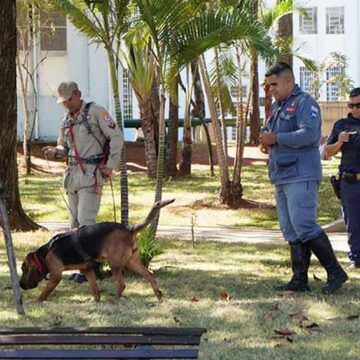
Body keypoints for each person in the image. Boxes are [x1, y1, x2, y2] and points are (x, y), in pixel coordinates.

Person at [259, 62, 348, 294]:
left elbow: (309, 135)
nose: (271, 89)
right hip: (281, 175)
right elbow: (270, 132)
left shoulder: (304, 103)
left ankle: (335, 272)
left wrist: (276, 138)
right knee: (290, 229)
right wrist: (266, 140)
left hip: (301, 174)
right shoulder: (278, 107)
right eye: (268, 86)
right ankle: (299, 280)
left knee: (304, 226)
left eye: (275, 84)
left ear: (289, 81)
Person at [43, 81, 124, 282]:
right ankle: (82, 268)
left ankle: (92, 269)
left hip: (91, 174)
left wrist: (111, 164)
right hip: (72, 177)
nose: (67, 105)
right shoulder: (65, 121)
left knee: (86, 224)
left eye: (70, 99)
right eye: (63, 102)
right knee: (74, 225)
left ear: (78, 94)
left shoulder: (96, 112)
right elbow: (64, 148)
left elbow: (116, 136)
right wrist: (55, 152)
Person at [324, 87, 360, 269]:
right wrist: (339, 141)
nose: (355, 109)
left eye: (358, 105)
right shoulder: (342, 125)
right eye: (351, 105)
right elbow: (326, 152)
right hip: (350, 181)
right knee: (352, 222)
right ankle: (356, 258)